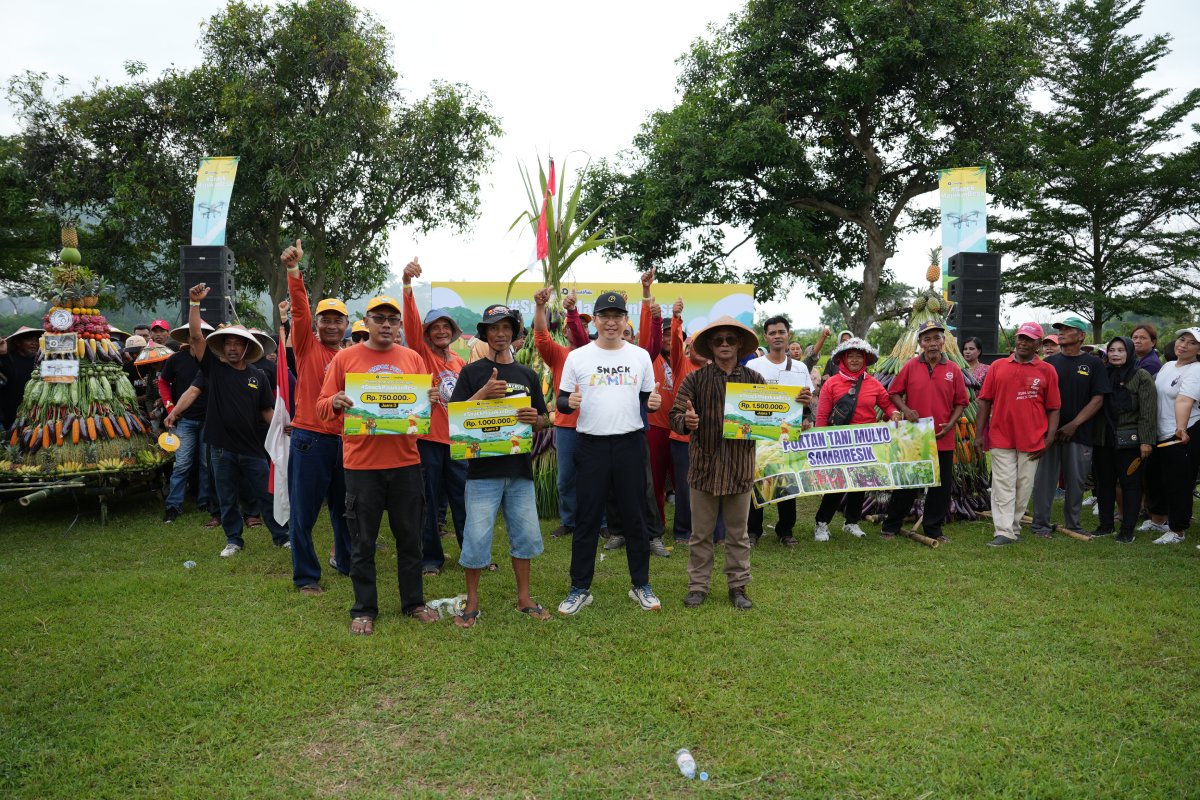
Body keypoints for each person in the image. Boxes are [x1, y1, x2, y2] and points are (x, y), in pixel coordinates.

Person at [316, 295, 442, 634]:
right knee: (362, 541)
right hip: (361, 465)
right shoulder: (345, 358)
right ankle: (364, 609)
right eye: (379, 318)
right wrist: (337, 401)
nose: (386, 324)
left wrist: (430, 401)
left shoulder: (412, 358)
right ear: (367, 321)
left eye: (392, 319)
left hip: (406, 462)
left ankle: (413, 602)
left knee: (409, 538)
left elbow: (421, 411)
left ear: (399, 325)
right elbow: (321, 406)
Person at [556, 291, 662, 615]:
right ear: (596, 320)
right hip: (591, 445)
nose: (611, 322)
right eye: (605, 316)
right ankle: (579, 589)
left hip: (630, 443)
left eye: (617, 316)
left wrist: (652, 404)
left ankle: (641, 585)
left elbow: (646, 399)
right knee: (587, 519)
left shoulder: (640, 356)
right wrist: (568, 403)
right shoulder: (578, 357)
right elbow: (561, 401)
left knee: (635, 517)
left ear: (625, 320)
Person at [448, 303, 552, 627]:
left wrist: (537, 419)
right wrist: (482, 393)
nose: (501, 333)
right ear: (486, 333)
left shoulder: (527, 375)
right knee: (477, 538)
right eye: (494, 328)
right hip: (482, 472)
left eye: (506, 328)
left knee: (525, 536)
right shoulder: (471, 373)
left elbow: (545, 418)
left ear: (514, 332)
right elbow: (455, 419)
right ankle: (472, 603)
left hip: (519, 471)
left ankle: (524, 599)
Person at [669, 316, 770, 609]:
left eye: (730, 339)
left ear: (739, 344)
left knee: (738, 534)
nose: (724, 344)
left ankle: (738, 586)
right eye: (718, 340)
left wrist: (798, 404)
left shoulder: (754, 381)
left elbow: (773, 418)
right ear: (711, 347)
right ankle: (698, 586)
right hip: (704, 469)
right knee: (700, 534)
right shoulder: (695, 379)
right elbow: (674, 417)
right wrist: (685, 421)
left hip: (739, 469)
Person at [185, 283, 287, 557]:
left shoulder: (258, 376)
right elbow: (196, 338)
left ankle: (281, 537)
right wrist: (195, 304)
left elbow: (267, 411)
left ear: (246, 348)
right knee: (227, 497)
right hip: (220, 448)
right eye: (227, 343)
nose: (231, 348)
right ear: (222, 346)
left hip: (253, 448)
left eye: (237, 344)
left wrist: (283, 426)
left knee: (266, 495)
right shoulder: (214, 369)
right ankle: (233, 540)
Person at [277, 239, 354, 594]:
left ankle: (347, 562)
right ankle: (307, 576)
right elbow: (299, 310)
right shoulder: (307, 346)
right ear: (317, 323)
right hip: (311, 439)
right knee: (305, 513)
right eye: (327, 319)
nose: (333, 325)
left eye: (339, 319)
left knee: (346, 511)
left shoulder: (352, 358)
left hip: (347, 442)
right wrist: (294, 272)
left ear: (347, 324)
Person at [400, 257, 469, 576]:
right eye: (435, 328)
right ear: (427, 334)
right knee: (427, 502)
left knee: (463, 500)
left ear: (452, 333)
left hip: (457, 440)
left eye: (446, 327)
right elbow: (412, 325)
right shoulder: (420, 351)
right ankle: (431, 559)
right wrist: (407, 287)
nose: (440, 332)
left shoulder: (458, 360)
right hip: (427, 439)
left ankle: (472, 554)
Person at [975, 322, 1062, 547]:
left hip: (1033, 438)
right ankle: (1003, 530)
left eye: (1029, 339)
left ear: (1039, 344)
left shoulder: (1047, 370)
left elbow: (1054, 407)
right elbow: (984, 402)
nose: (1023, 342)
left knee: (1023, 486)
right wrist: (978, 435)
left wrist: (1049, 437)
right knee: (1003, 484)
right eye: (1020, 338)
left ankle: (1013, 526)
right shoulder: (998, 366)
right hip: (1001, 436)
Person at [883, 320, 969, 543]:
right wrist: (905, 409)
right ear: (920, 342)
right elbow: (893, 393)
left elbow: (961, 402)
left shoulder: (953, 370)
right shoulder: (911, 366)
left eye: (937, 338)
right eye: (927, 339)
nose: (932, 343)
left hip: (943, 436)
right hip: (916, 436)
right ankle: (890, 527)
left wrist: (951, 423)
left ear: (944, 341)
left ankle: (933, 529)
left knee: (940, 487)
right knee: (908, 484)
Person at [814, 337, 901, 540]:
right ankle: (821, 523)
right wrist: (820, 441)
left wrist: (894, 413)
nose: (854, 360)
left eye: (858, 356)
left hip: (866, 441)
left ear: (865, 359)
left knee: (861, 483)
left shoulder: (874, 384)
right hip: (839, 441)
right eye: (850, 356)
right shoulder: (831, 384)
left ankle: (851, 522)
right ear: (843, 359)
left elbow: (887, 405)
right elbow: (822, 416)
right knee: (837, 484)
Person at [1031, 316, 1110, 540]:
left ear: (1081, 335)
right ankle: (1040, 525)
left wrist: (1074, 424)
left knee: (1076, 481)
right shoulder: (1049, 363)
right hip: (1049, 434)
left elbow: (1098, 399)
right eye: (1061, 329)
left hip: (1080, 432)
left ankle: (1073, 524)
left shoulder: (1094, 363)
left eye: (1068, 329)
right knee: (1045, 480)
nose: (1062, 332)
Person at [745, 314, 814, 546]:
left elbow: (807, 401)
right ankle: (752, 530)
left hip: (788, 434)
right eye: (772, 333)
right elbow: (745, 398)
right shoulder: (754, 365)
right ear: (766, 337)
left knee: (787, 480)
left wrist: (806, 410)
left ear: (788, 335)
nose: (777, 336)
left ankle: (786, 530)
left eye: (781, 332)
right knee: (757, 478)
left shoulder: (800, 367)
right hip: (760, 433)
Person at [532, 287, 588, 539]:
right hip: (566, 426)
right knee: (566, 478)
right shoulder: (559, 355)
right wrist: (540, 307)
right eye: (574, 327)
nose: (579, 331)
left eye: (585, 326)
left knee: (597, 476)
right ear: (565, 331)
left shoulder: (599, 357)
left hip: (596, 425)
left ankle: (602, 522)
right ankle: (569, 521)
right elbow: (542, 337)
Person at [1090, 336, 1155, 542]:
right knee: (1104, 483)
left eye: (1120, 350)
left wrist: (1146, 441)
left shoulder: (1141, 376)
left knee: (1130, 484)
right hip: (1103, 438)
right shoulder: (1102, 373)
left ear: (1129, 352)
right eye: (1112, 350)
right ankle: (1105, 525)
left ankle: (1127, 530)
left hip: (1130, 440)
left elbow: (1148, 411)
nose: (1115, 354)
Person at [1142, 327, 1200, 545]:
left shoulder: (1196, 370)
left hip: (1182, 433)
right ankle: (1158, 520)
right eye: (1181, 339)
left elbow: (1185, 400)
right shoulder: (1167, 366)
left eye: (1191, 343)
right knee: (1155, 478)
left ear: (1199, 350)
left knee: (1179, 483)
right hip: (1159, 432)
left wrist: (1181, 428)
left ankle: (1177, 530)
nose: (1183, 345)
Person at [159, 322, 216, 523]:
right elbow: (163, 383)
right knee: (182, 464)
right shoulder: (176, 359)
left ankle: (204, 501)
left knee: (205, 464)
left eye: (201, 334)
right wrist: (170, 408)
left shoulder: (213, 361)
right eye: (193, 334)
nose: (196, 337)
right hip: (185, 420)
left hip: (209, 420)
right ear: (187, 337)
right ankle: (173, 505)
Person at [1, 327, 41, 431]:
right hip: (11, 411)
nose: (34, 343)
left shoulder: (39, 361)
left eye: (36, 340)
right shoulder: (8, 359)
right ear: (17, 343)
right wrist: (3, 354)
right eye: (29, 339)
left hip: (34, 412)